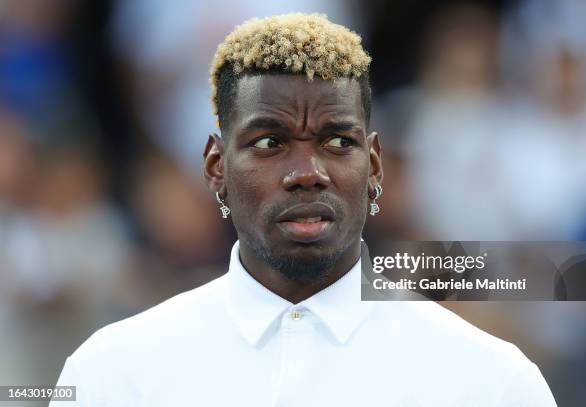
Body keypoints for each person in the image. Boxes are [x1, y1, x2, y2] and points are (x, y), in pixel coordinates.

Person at [51, 13, 556, 406]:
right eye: (270, 141)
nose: (307, 171)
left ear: (375, 166)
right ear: (215, 167)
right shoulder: (113, 373)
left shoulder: (490, 382)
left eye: (337, 140)